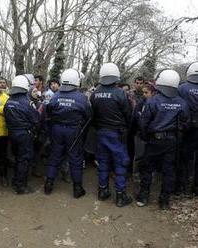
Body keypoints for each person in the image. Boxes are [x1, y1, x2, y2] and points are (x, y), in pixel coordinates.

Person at [137, 69, 190, 210]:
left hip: (154, 141)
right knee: (169, 170)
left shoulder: (153, 101)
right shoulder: (182, 103)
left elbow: (144, 123)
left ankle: (143, 196)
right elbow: (186, 124)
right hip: (172, 142)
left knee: (147, 168)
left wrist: (145, 137)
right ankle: (164, 201)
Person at [44, 69, 92, 198]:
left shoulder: (56, 95)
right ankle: (77, 188)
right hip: (73, 130)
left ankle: (48, 185)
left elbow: (48, 112)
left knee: (55, 156)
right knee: (75, 158)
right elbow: (88, 116)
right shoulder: (81, 97)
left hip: (57, 129)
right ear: (76, 81)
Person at [90, 62, 132, 207]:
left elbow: (92, 115)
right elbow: (128, 114)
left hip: (101, 132)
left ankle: (103, 191)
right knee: (120, 163)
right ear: (116, 77)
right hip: (116, 134)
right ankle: (120, 196)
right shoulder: (120, 93)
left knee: (103, 162)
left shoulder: (95, 94)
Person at [4, 75, 40, 194]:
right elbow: (36, 119)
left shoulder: (8, 101)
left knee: (17, 158)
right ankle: (21, 186)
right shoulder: (27, 103)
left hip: (12, 134)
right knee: (24, 159)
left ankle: (16, 180)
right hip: (24, 134)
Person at [178, 62, 198, 196]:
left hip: (187, 128)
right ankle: (196, 188)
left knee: (183, 157)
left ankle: (181, 186)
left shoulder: (182, 88)